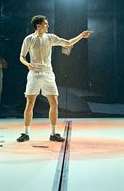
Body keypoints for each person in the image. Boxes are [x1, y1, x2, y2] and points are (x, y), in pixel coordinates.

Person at [17, 15, 92, 143]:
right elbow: (22, 56)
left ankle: (53, 133)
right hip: (34, 74)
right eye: (45, 24)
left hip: (48, 73)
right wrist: (27, 64)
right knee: (30, 103)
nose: (47, 25)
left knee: (54, 102)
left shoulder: (50, 38)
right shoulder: (29, 39)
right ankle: (25, 133)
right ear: (38, 26)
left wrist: (81, 36)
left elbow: (67, 43)